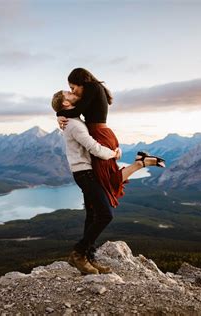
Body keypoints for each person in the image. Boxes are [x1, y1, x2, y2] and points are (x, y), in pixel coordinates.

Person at [52, 89, 164, 275]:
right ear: (65, 103)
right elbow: (94, 147)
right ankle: (78, 253)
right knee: (105, 215)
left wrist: (59, 115)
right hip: (84, 173)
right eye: (69, 93)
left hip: (86, 172)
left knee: (92, 214)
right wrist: (114, 154)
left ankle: (90, 258)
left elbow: (87, 130)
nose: (73, 92)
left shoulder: (72, 118)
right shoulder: (74, 125)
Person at [57, 68, 165, 209]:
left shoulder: (92, 87)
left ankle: (140, 163)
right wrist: (61, 114)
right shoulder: (92, 90)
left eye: (73, 87)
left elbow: (75, 111)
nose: (73, 91)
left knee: (106, 179)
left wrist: (59, 113)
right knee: (105, 177)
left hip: (99, 133)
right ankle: (140, 162)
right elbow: (73, 108)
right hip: (101, 133)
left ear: (80, 82)